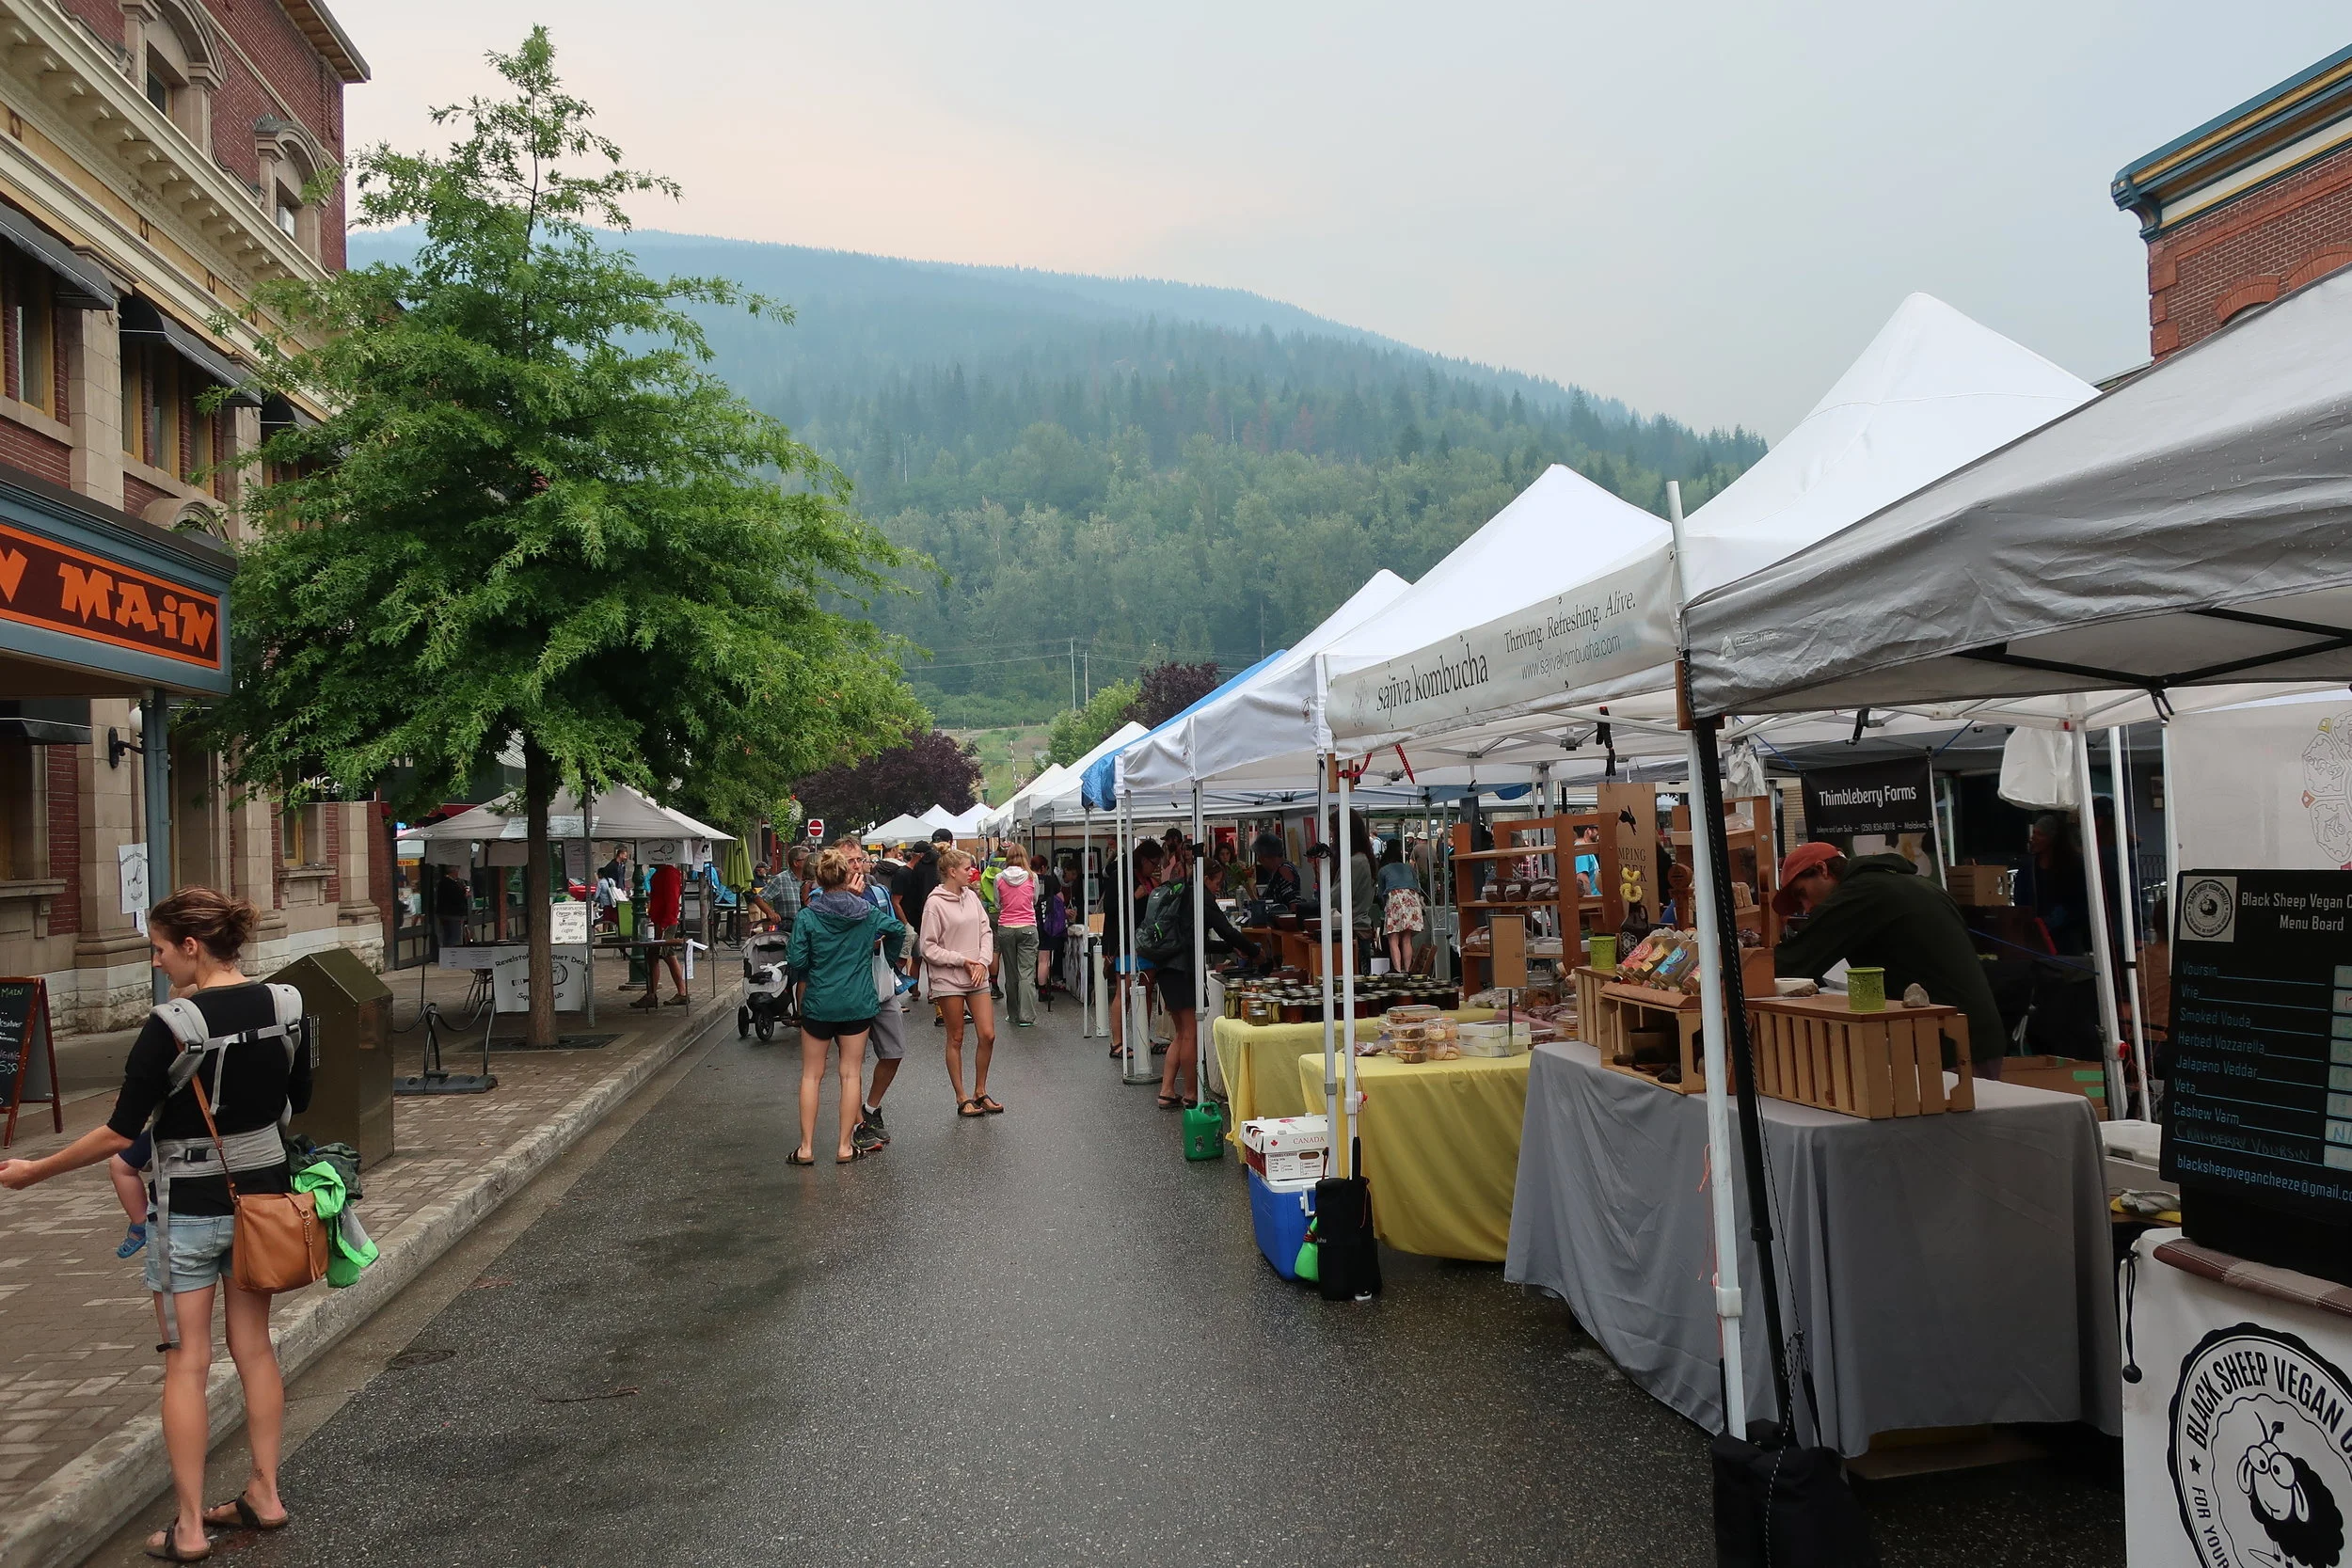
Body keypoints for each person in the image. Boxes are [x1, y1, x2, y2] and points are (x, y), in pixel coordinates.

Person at [0, 887, 312, 1561]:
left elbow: (119, 1132)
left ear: (192, 946)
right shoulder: (287, 1006)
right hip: (263, 1209)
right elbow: (299, 1099)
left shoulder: (170, 1025)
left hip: (188, 1217)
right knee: (255, 1348)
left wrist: (33, 1171)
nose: (157, 961)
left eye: (160, 949)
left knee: (186, 1363)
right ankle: (265, 1492)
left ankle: (191, 1527)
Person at [1772, 842, 2008, 1079]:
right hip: (1977, 1036)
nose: (1808, 907)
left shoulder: (1861, 893)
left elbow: (1793, 964)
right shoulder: (1915, 884)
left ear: (1823, 869)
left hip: (1947, 1044)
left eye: (1802, 894)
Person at [784, 847, 905, 1164]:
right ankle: (844, 1146)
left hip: (820, 1002)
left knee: (812, 1075)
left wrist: (815, 961)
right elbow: (897, 930)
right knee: (850, 1074)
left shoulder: (809, 915)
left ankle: (807, 1148)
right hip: (857, 1001)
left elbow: (796, 959)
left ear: (819, 879)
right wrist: (883, 959)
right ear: (846, 875)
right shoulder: (866, 912)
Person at [1136, 840, 1261, 1108]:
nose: (1217, 888)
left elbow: (1197, 941)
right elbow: (1226, 930)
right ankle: (1192, 1093)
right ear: (1206, 878)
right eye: (1216, 883)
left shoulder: (1183, 895)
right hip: (1183, 971)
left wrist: (1228, 948)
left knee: (1181, 1033)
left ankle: (1167, 1091)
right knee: (1190, 1032)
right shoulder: (1201, 898)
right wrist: (1254, 951)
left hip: (1167, 968)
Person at [836, 838, 906, 1150]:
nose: (856, 866)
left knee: (894, 1051)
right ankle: (858, 1127)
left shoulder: (878, 891)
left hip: (879, 981)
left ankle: (871, 1108)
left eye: (859, 860)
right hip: (848, 986)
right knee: (852, 1064)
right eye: (849, 861)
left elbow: (892, 927)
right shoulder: (823, 896)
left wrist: (890, 959)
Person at [920, 848, 1000, 1115]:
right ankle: (961, 1096)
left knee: (987, 1034)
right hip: (949, 978)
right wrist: (961, 961)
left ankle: (981, 1090)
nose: (972, 872)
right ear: (952, 871)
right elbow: (928, 947)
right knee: (956, 1037)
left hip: (977, 974)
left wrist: (982, 961)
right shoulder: (935, 903)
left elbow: (985, 930)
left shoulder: (972, 898)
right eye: (967, 868)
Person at [993, 845, 1041, 1027]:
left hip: (1006, 927)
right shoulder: (1032, 877)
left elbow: (998, 903)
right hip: (1028, 926)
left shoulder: (998, 877)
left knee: (1011, 973)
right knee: (1027, 973)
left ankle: (1013, 1014)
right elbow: (1034, 900)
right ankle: (1027, 1016)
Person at [633, 858, 689, 1009]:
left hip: (665, 922)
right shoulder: (660, 873)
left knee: (665, 954)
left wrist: (664, 924)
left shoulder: (669, 874)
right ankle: (654, 993)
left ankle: (679, 992)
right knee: (657, 955)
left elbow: (671, 901)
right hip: (659, 921)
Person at [1377, 840, 1424, 974]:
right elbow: (1417, 885)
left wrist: (1383, 907)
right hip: (1411, 897)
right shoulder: (1408, 867)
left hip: (1395, 899)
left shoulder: (1383, 870)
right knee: (1407, 938)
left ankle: (1397, 970)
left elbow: (1381, 893)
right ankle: (1408, 970)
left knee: (1393, 938)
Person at [1251, 832, 1301, 907]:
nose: (1259, 860)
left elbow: (1293, 903)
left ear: (1268, 856)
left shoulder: (1285, 870)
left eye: (1260, 856)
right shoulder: (1277, 871)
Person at [434, 866, 470, 952]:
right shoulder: (449, 883)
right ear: (454, 872)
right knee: (454, 936)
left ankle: (448, 954)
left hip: (446, 913)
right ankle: (452, 955)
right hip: (452, 914)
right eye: (458, 872)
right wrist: (464, 895)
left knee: (448, 935)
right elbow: (455, 898)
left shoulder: (446, 882)